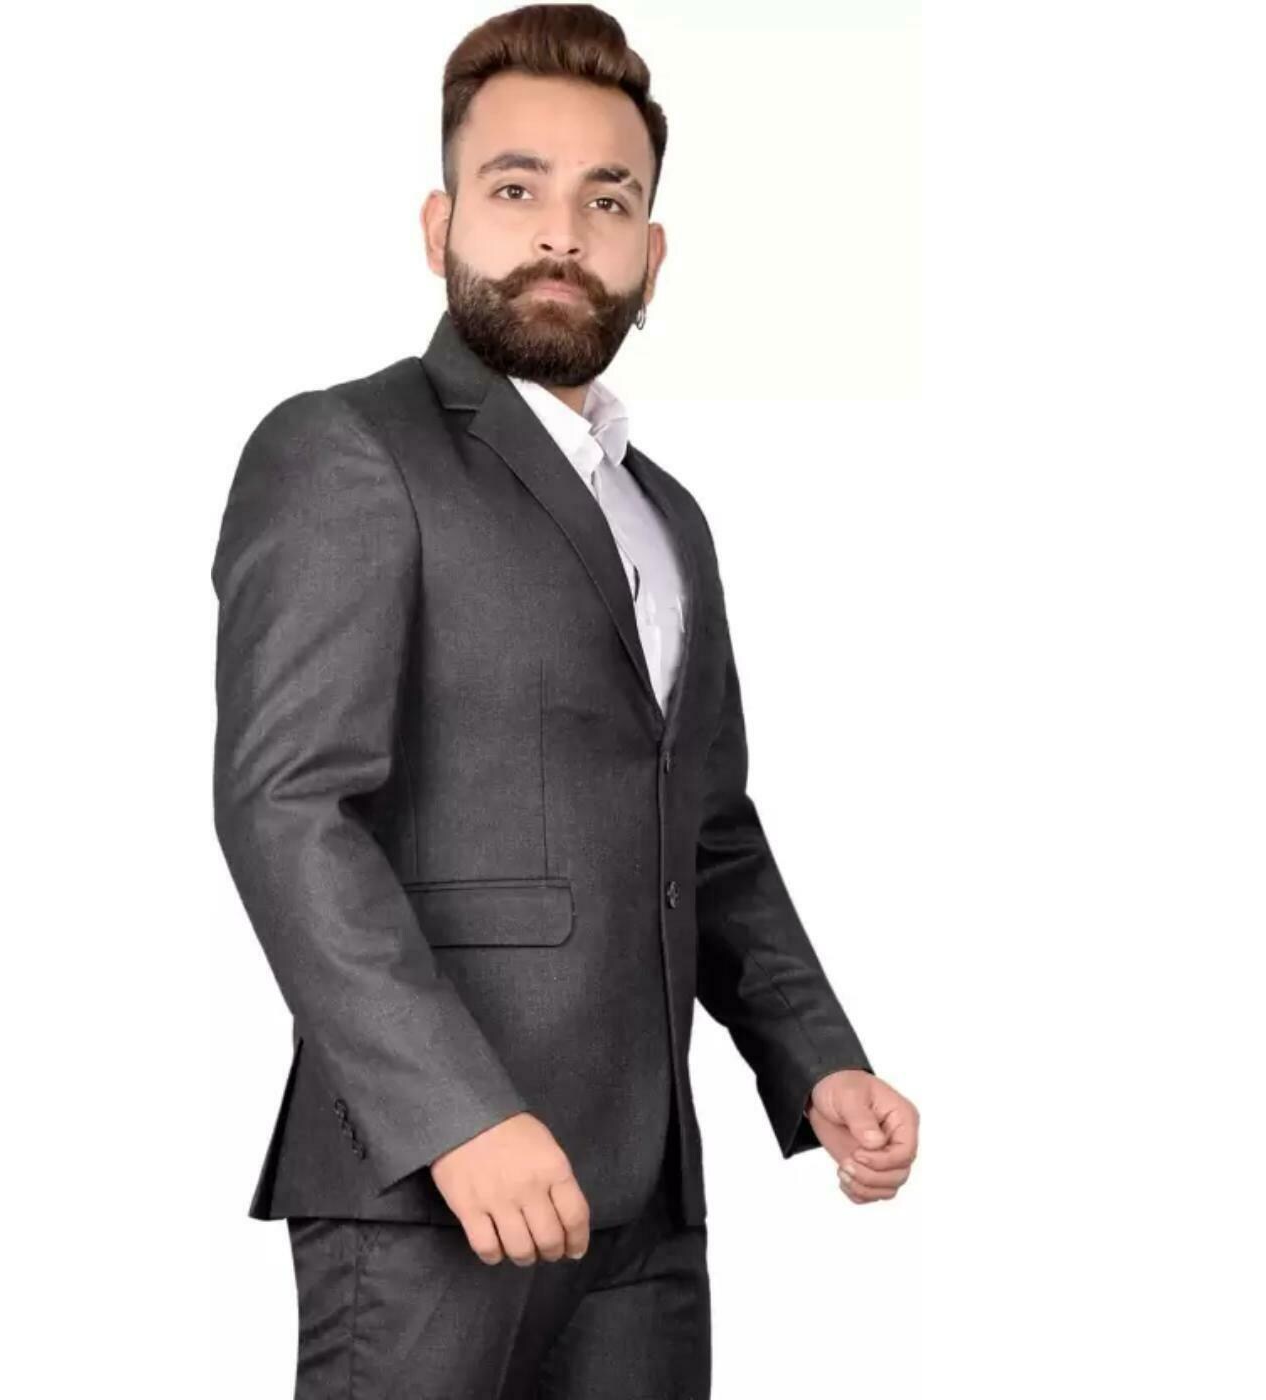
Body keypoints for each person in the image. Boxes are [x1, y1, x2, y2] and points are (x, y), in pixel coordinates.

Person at [209, 5, 920, 1395]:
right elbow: (288, 810)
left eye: (608, 200)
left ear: (652, 251)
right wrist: (454, 1116)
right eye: (515, 188)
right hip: (430, 1190)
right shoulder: (346, 450)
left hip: (645, 1203)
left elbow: (706, 831)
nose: (562, 233)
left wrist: (817, 1062)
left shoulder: (669, 518)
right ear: (440, 227)